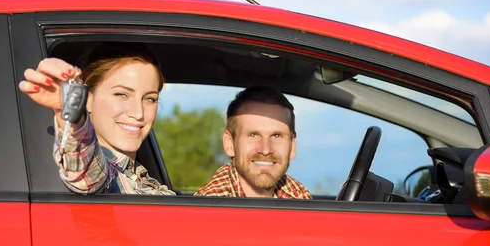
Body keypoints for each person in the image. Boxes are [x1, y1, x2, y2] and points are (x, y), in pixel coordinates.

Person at [19, 43, 175, 195]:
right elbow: (85, 170)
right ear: (87, 98)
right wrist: (71, 109)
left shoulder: (143, 178)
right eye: (121, 94)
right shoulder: (104, 177)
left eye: (149, 99)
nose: (138, 113)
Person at [196, 85, 312, 199]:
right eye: (253, 135)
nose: (265, 150)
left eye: (276, 136)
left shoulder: (297, 195)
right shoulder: (211, 207)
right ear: (229, 143)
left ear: (292, 146)